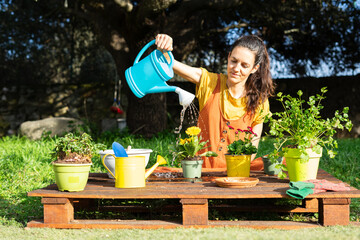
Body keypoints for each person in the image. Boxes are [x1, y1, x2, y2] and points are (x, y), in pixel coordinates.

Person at [155, 34, 275, 168]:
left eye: (244, 65)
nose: (236, 68)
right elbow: (171, 63)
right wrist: (164, 48)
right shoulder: (210, 83)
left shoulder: (259, 101)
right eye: (234, 61)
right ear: (228, 57)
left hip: (235, 173)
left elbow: (252, 148)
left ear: (254, 68)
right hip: (200, 171)